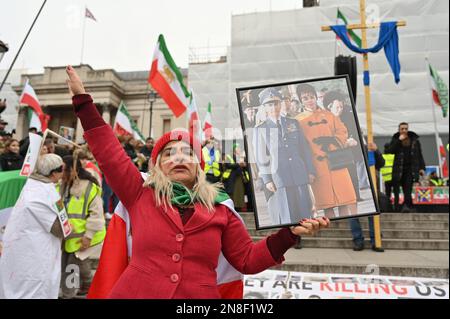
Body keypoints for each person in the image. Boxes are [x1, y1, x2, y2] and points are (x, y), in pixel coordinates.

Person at [65, 65, 329, 299]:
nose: (179, 156)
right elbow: (109, 153)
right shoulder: (140, 193)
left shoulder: (221, 209)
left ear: (199, 166)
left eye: (188, 152)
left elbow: (248, 260)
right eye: (169, 153)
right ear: (157, 167)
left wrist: (288, 235)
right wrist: (84, 104)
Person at [0, 154, 69, 299]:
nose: (64, 172)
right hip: (34, 256)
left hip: (28, 250)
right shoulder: (41, 194)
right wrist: (70, 228)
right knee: (32, 291)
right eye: (62, 169)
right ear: (54, 173)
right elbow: (59, 229)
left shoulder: (36, 185)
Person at [253, 88, 316, 224]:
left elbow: (304, 149)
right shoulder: (261, 129)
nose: (273, 107)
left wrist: (310, 170)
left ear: (280, 104)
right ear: (264, 107)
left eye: (276, 103)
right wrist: (267, 179)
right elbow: (261, 157)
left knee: (304, 207)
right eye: (270, 104)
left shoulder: (293, 123)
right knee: (288, 211)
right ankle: (294, 238)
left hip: (298, 171)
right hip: (279, 175)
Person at [296, 84, 357, 218]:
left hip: (336, 161)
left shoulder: (329, 115)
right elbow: (299, 145)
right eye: (305, 98)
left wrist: (332, 142)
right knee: (326, 204)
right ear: (301, 101)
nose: (309, 100)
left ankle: (345, 226)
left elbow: (342, 131)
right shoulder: (298, 121)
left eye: (311, 97)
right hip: (317, 165)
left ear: (316, 97)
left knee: (344, 200)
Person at [59, 155, 106, 298]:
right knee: (78, 262)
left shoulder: (89, 187)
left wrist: (88, 237)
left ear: (73, 170)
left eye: (64, 169)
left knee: (72, 266)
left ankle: (68, 294)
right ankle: (88, 285)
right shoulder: (64, 184)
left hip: (86, 235)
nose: (61, 172)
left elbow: (97, 214)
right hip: (71, 235)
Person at [349, 142, 386, 252]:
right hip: (352, 187)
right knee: (353, 216)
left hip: (369, 187)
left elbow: (381, 163)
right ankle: (358, 240)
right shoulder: (347, 147)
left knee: (373, 215)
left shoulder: (368, 148)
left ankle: (375, 241)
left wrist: (376, 150)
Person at [386, 122, 426, 212]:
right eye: (402, 129)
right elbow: (390, 151)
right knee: (396, 191)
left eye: (405, 129)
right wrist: (399, 141)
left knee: (408, 189)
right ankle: (397, 209)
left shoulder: (414, 140)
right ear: (399, 130)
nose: (404, 130)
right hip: (398, 169)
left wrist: (422, 167)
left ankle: (407, 206)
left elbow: (419, 155)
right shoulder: (396, 139)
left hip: (410, 170)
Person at [222, 144, 250, 211]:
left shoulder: (240, 156)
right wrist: (238, 164)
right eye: (238, 148)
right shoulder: (229, 156)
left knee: (239, 193)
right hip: (231, 178)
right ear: (234, 149)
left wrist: (244, 165)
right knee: (233, 193)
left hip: (240, 177)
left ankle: (239, 207)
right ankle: (234, 207)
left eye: (239, 148)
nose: (239, 149)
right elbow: (228, 165)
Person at [380, 143, 395, 207]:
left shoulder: (382, 156)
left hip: (385, 178)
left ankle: (388, 206)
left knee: (387, 194)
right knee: (396, 193)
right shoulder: (394, 156)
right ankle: (396, 207)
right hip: (394, 178)